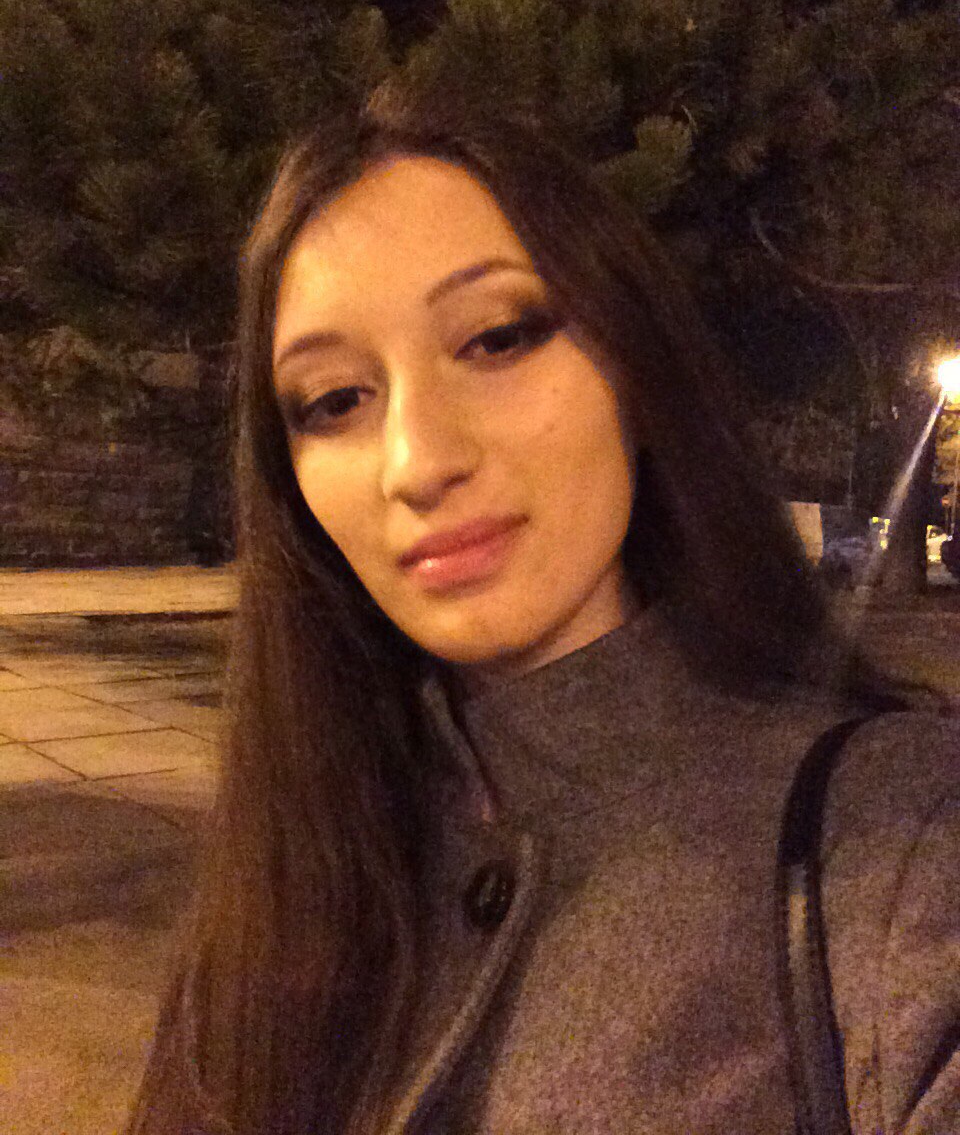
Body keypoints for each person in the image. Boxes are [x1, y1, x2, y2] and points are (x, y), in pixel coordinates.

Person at [125, 86, 960, 1135]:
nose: (418, 462)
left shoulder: (901, 843)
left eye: (497, 338)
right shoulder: (289, 858)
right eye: (335, 400)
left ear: (633, 363)